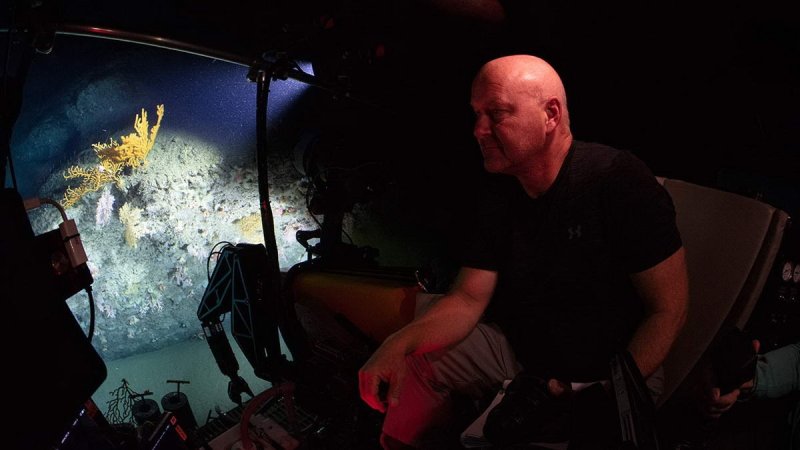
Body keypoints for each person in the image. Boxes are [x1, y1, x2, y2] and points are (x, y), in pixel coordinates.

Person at [358, 54, 689, 449]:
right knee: (415, 356)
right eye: (476, 114)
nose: (479, 130)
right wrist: (398, 343)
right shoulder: (500, 190)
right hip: (525, 356)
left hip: (614, 369)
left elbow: (668, 309)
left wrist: (601, 395)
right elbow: (467, 299)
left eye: (496, 114)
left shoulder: (617, 180)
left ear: (551, 114)